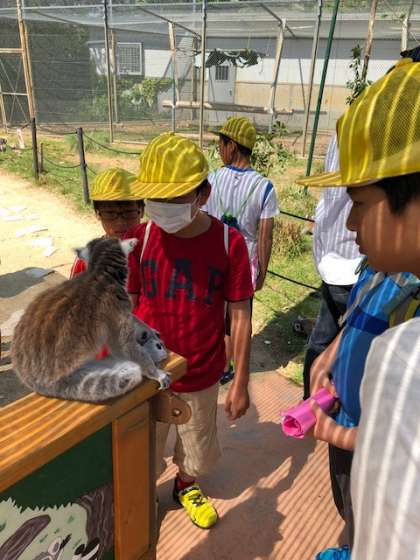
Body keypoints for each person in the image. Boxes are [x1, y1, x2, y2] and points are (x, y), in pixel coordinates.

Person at [296, 57, 420, 551]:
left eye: (361, 204)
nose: (349, 224)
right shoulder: (385, 268)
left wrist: (339, 434)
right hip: (351, 435)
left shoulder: (409, 348)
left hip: (361, 442)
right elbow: (357, 315)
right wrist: (330, 354)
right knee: (353, 509)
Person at [126, 132, 254, 529]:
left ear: (202, 194)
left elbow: (241, 315)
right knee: (142, 447)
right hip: (148, 373)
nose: (162, 208)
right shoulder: (140, 239)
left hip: (201, 372)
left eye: (174, 197)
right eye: (155, 197)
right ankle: (140, 494)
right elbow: (128, 305)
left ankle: (185, 484)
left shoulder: (229, 243)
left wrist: (241, 381)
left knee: (196, 444)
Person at [204, 117, 279, 383]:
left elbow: (201, 220)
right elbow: (265, 236)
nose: (219, 149)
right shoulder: (265, 187)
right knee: (239, 317)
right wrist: (262, 271)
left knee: (214, 314)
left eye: (220, 144)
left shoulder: (211, 180)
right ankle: (231, 366)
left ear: (232, 146)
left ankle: (215, 364)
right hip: (244, 265)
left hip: (212, 261)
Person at [302, 133, 362, 399]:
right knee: (342, 344)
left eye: (361, 204)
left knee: (325, 340)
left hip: (336, 262)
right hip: (347, 265)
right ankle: (313, 403)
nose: (352, 222)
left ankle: (310, 403)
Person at [70, 167, 144, 277]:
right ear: (97, 214)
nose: (120, 222)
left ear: (142, 211)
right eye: (110, 213)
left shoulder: (156, 252)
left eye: (129, 212)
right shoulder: (87, 260)